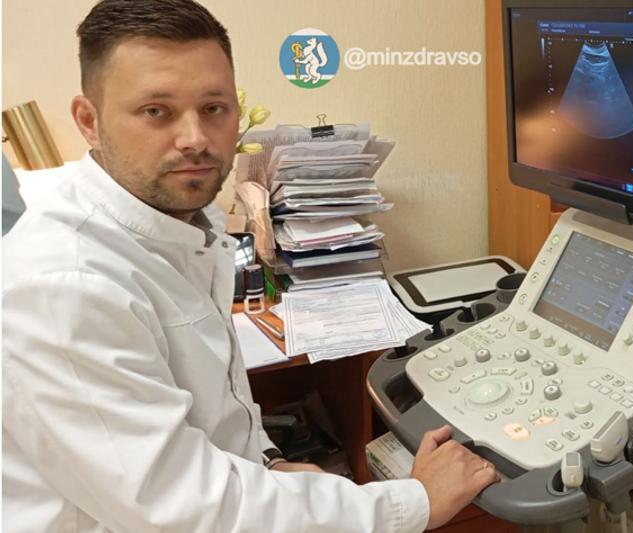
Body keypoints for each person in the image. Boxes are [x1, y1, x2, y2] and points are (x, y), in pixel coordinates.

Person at [1, 0, 500, 531]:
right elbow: (185, 506)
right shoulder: (65, 286)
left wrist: (268, 460)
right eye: (156, 111)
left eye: (214, 107)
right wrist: (415, 501)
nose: (195, 138)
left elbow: (216, 397)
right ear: (89, 121)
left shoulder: (183, 225)